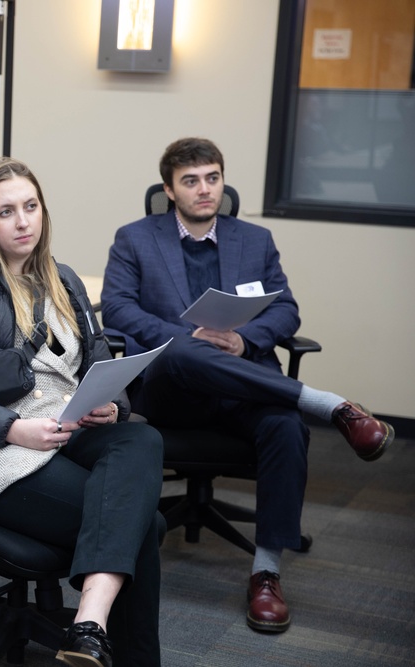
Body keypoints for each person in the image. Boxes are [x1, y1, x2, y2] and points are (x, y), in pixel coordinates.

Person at [101, 137, 395, 634]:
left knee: (283, 425)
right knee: (184, 351)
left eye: (212, 178)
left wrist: (243, 338)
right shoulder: (134, 238)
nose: (204, 190)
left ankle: (266, 572)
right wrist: (187, 337)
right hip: (173, 393)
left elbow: (286, 310)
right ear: (169, 190)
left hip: (244, 390)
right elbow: (118, 309)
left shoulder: (253, 239)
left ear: (223, 182)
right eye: (190, 181)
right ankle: (327, 405)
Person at [0, 157, 164, 667]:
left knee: (142, 439)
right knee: (144, 525)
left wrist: (112, 404)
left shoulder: (62, 278)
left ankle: (89, 624)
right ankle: (96, 630)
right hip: (2, 453)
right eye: (6, 212)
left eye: (30, 206)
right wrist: (12, 428)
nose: (23, 222)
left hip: (69, 430)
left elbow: (100, 356)